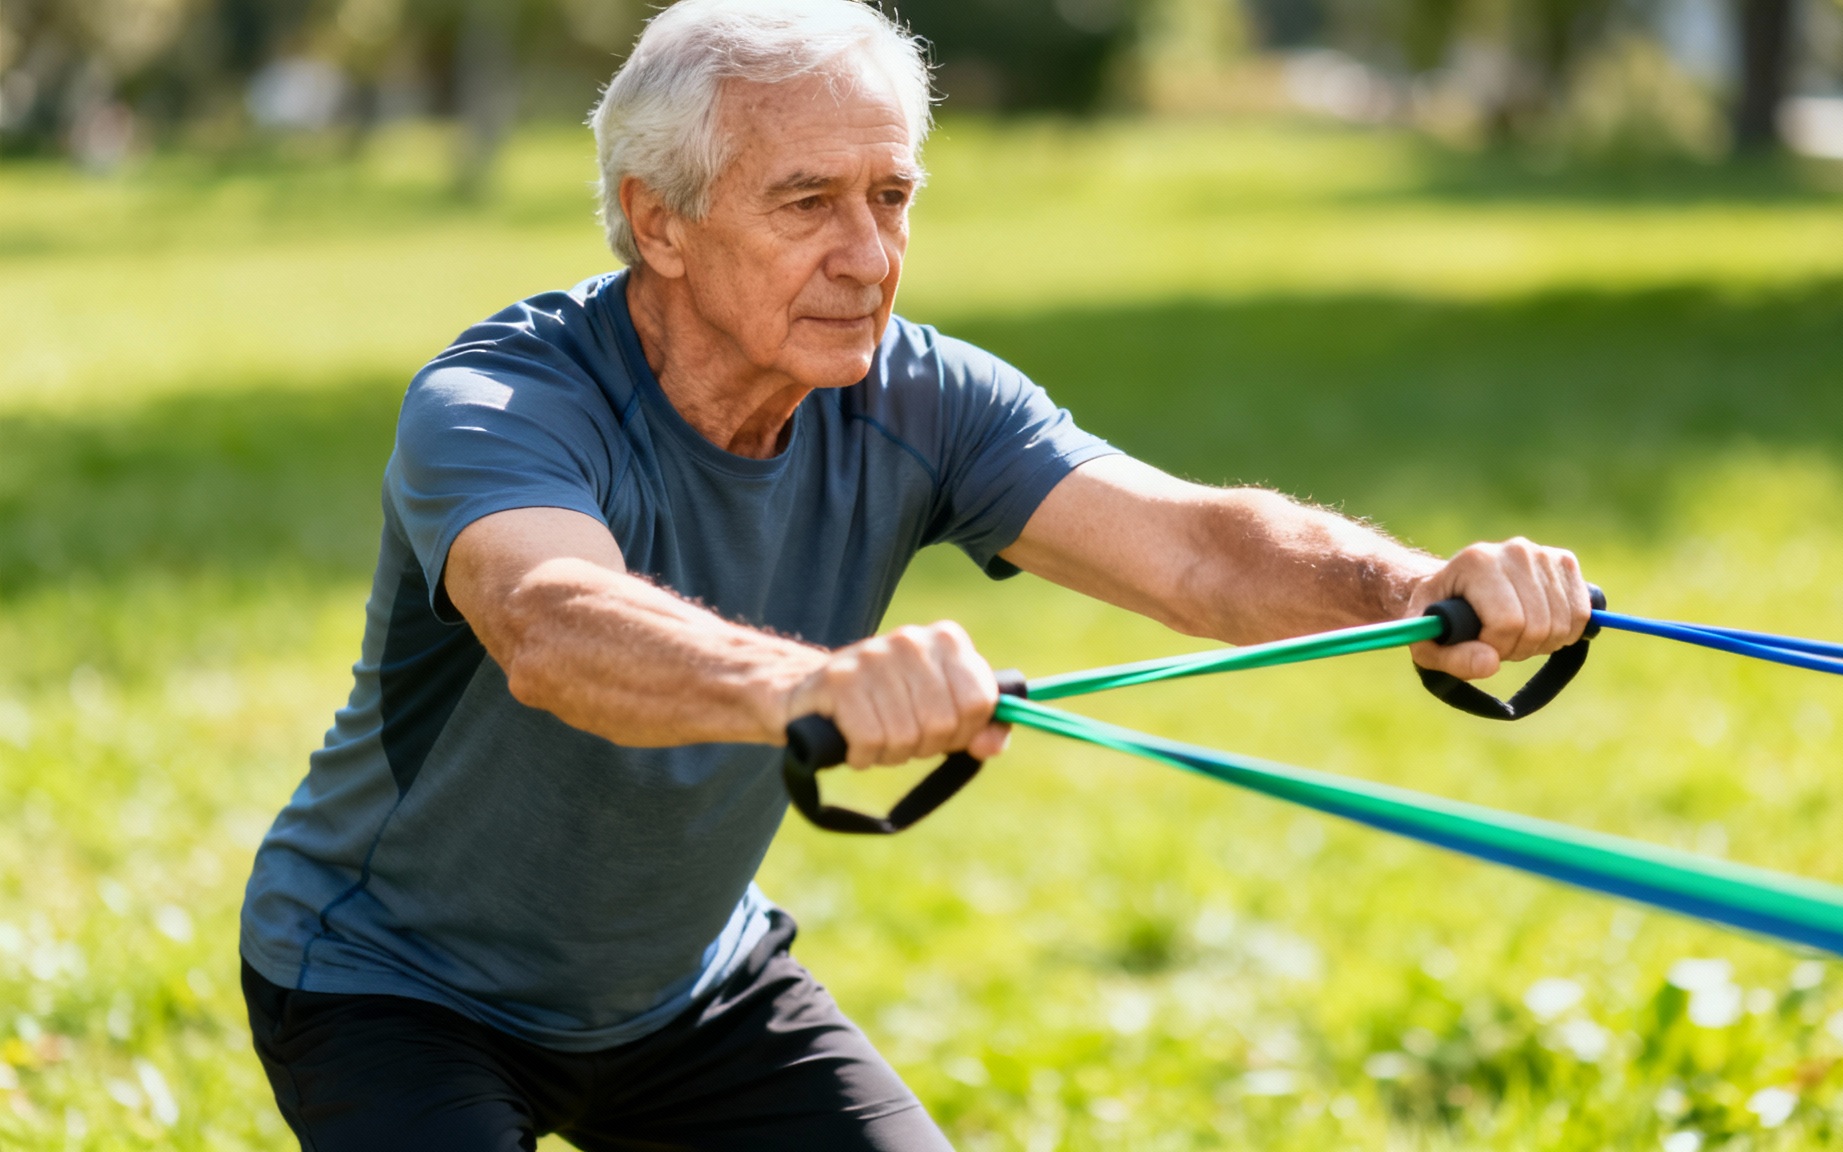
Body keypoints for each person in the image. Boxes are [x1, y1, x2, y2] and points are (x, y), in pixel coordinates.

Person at [235, 1, 1592, 1148]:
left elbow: (1193, 546)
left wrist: (1413, 588)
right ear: (660, 224)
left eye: (891, 199)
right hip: (390, 981)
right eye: (808, 203)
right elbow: (553, 626)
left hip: (684, 991)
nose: (870, 259)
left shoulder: (921, 399)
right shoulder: (499, 403)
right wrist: (816, 684)